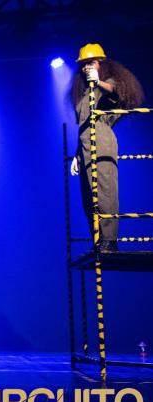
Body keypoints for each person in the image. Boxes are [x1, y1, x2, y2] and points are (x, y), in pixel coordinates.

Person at [69, 44, 145, 252]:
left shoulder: (107, 83)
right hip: (84, 145)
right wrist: (77, 154)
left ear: (101, 64)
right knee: (88, 197)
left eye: (91, 63)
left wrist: (98, 82)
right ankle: (98, 239)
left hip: (101, 140)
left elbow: (117, 93)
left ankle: (109, 240)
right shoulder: (85, 92)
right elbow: (83, 125)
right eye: (83, 64)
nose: (86, 68)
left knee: (104, 191)